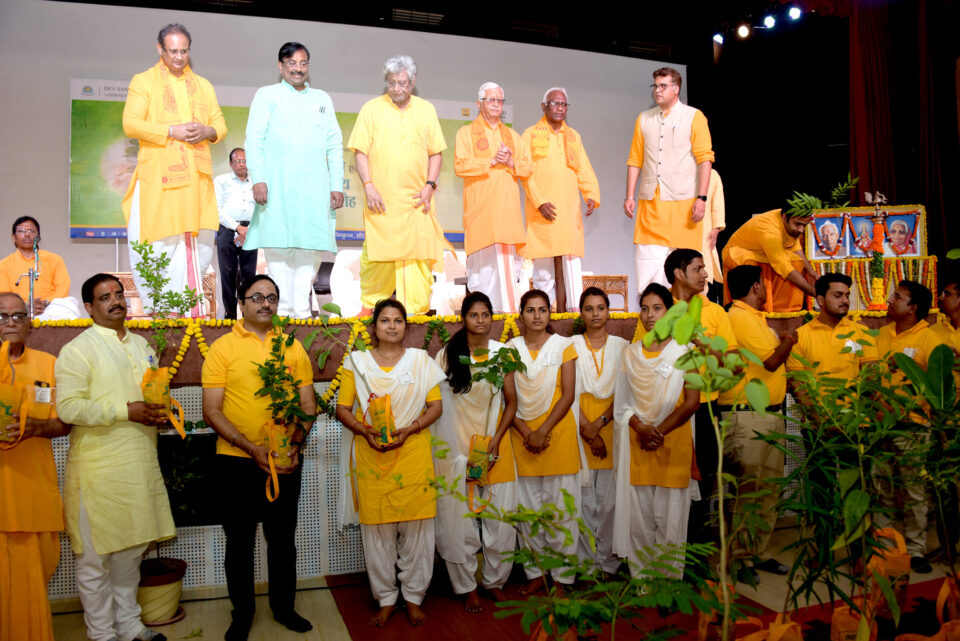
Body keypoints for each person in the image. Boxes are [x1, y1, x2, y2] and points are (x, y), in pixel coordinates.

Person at [56, 273, 174, 641]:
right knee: (96, 561)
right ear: (89, 308)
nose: (116, 301)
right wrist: (127, 411)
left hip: (138, 465)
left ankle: (130, 625)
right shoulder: (78, 349)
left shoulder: (143, 346)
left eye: (119, 293)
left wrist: (161, 412)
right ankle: (102, 634)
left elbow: (150, 396)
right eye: (105, 297)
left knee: (130, 553)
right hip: (97, 472)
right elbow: (68, 408)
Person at [201, 275, 316, 640]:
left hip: (285, 460)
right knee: (239, 543)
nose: (266, 303)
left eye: (272, 297)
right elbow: (211, 411)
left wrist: (295, 445)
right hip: (235, 461)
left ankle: (284, 609)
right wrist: (250, 447)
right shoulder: (222, 348)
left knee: (282, 541)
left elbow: (307, 405)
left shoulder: (292, 347)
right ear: (241, 303)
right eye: (257, 297)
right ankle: (243, 615)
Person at [335, 299, 445, 627]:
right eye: (385, 320)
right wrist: (364, 431)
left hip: (413, 452)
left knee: (418, 529)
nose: (392, 326)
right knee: (377, 531)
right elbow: (343, 409)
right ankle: (385, 598)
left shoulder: (420, 361)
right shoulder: (356, 363)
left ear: (406, 328)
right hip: (371, 454)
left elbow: (435, 407)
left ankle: (413, 597)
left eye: (398, 320)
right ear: (374, 327)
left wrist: (411, 428)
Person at [122, 23, 226, 317]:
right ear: (160, 49)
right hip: (159, 183)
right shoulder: (144, 81)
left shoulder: (203, 85)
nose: (179, 57)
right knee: (159, 247)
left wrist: (206, 131)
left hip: (196, 184)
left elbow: (219, 124)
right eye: (172, 51)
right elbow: (131, 124)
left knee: (198, 249)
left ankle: (186, 312)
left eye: (184, 51)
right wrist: (171, 130)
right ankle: (161, 314)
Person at [244, 42, 345, 319]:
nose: (298, 69)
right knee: (278, 251)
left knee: (309, 251)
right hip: (276, 190)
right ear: (281, 66)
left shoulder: (322, 99)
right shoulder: (267, 95)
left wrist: (336, 185)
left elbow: (334, 144)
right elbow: (254, 140)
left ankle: (301, 312)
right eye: (291, 63)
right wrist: (258, 179)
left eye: (303, 63)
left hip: (314, 192)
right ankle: (285, 311)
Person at [785, 273, 877, 571]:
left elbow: (871, 379)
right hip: (819, 429)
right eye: (838, 295)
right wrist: (822, 420)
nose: (845, 300)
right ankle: (823, 551)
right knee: (820, 493)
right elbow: (799, 385)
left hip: (855, 429)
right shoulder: (802, 335)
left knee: (856, 493)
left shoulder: (861, 332)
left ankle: (860, 553)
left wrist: (852, 419)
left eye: (847, 294)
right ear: (820, 300)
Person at [433, 292, 519, 611]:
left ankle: (494, 582)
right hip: (458, 451)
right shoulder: (447, 355)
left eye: (486, 315)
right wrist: (456, 454)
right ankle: (467, 586)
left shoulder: (502, 353)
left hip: (496, 446)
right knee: (462, 523)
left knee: (501, 521)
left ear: (492, 317)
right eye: (474, 315)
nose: (480, 321)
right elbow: (437, 405)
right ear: (463, 319)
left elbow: (512, 402)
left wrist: (496, 439)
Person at [347, 55, 450, 316]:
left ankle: (416, 319)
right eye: (391, 82)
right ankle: (370, 315)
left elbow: (436, 153)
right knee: (376, 261)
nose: (396, 88)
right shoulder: (371, 109)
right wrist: (368, 185)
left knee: (418, 267)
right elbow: (360, 152)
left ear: (413, 82)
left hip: (417, 203)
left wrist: (429, 186)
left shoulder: (426, 110)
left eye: (402, 83)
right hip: (382, 203)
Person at [613, 283, 699, 577]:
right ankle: (643, 582)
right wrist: (641, 428)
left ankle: (669, 582)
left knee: (671, 520)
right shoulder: (630, 354)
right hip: (638, 444)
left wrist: (656, 431)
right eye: (645, 308)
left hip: (673, 442)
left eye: (657, 308)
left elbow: (692, 402)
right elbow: (622, 404)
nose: (650, 315)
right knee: (640, 520)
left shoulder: (685, 351)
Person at [656, 249, 738, 554]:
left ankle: (696, 557)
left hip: (704, 409)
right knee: (668, 482)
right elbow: (643, 356)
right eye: (699, 269)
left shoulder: (715, 312)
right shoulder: (658, 307)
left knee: (703, 483)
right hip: (667, 409)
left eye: (705, 269)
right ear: (679, 274)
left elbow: (732, 363)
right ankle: (668, 555)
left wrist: (700, 342)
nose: (705, 275)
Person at [0, 293, 71, 641]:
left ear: (29, 323)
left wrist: (35, 428)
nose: (10, 323)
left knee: (38, 567)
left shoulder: (48, 364)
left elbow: (65, 423)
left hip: (34, 489)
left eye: (18, 316)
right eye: (2, 317)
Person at [722, 265, 797, 582]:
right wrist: (790, 338)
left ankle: (759, 551)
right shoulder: (739, 317)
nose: (767, 290)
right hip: (749, 416)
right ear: (755, 287)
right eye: (764, 284)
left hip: (770, 415)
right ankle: (740, 558)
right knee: (750, 492)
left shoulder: (755, 318)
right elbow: (772, 360)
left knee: (769, 490)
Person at [507, 289, 581, 594]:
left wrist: (542, 431)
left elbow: (568, 394)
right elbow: (508, 399)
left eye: (542, 310)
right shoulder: (510, 350)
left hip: (557, 435)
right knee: (529, 512)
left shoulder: (564, 346)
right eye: (530, 310)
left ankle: (563, 578)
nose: (537, 316)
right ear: (520, 315)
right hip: (521, 437)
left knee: (561, 512)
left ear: (549, 313)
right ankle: (536, 573)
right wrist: (527, 433)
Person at [623, 67, 715, 295]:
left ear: (676, 89)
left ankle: (689, 316)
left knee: (687, 267)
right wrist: (629, 195)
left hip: (684, 204)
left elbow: (705, 159)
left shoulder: (694, 116)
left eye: (663, 86)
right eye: (655, 86)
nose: (658, 90)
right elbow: (635, 159)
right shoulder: (644, 119)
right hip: (650, 205)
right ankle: (653, 310)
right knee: (648, 265)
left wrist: (702, 198)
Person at [874, 280, 944, 573]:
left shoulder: (930, 339)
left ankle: (916, 550)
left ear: (913, 308)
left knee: (914, 492)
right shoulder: (882, 334)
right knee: (882, 489)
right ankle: (886, 547)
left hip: (913, 428)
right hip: (881, 426)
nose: (891, 300)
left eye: (898, 297)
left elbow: (938, 387)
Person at [521, 88, 601, 313]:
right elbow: (524, 173)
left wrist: (591, 194)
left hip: (567, 213)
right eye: (554, 103)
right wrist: (539, 202)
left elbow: (583, 168)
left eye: (564, 104)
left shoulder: (573, 136)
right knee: (544, 272)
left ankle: (573, 318)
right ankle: (542, 318)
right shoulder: (530, 134)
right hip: (542, 213)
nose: (560, 108)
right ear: (543, 106)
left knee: (571, 269)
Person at [454, 83, 531, 313]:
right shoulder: (466, 133)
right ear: (479, 104)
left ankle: (507, 321)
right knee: (482, 276)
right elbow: (460, 165)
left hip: (508, 218)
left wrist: (510, 162)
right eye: (491, 99)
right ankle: (482, 322)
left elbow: (527, 167)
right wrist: (491, 161)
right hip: (482, 217)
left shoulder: (512, 136)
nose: (496, 104)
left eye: (500, 100)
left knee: (508, 277)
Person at [572, 287, 627, 575]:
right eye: (589, 308)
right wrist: (588, 429)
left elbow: (625, 392)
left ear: (608, 311)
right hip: (577, 430)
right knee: (582, 504)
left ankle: (608, 564)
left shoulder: (622, 347)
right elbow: (566, 392)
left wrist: (599, 425)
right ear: (581, 313)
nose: (595, 314)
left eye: (600, 308)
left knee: (609, 505)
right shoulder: (570, 346)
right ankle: (585, 566)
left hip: (613, 430)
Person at [721, 209, 818, 312]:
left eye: (805, 225)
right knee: (752, 267)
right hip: (739, 255)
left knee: (796, 262)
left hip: (764, 256)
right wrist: (815, 292)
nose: (801, 230)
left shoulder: (790, 221)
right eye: (797, 224)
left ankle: (786, 313)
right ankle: (754, 313)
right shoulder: (768, 229)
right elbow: (783, 267)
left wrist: (810, 272)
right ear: (785, 217)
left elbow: (795, 247)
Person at [0, 216, 77, 319]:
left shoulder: (54, 259)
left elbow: (63, 287)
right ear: (13, 237)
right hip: (18, 311)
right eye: (21, 231)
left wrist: (46, 303)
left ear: (38, 237)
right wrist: (25, 306)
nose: (27, 234)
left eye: (31, 231)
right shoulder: (4, 264)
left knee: (71, 304)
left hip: (51, 308)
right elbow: (4, 295)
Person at [214, 148, 257, 320]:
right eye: (237, 161)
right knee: (228, 273)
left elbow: (260, 209)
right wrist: (238, 227)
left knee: (249, 275)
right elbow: (217, 209)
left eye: (244, 160)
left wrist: (248, 229)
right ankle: (230, 315)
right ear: (231, 164)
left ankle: (248, 315)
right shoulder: (221, 181)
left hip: (251, 230)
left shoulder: (256, 182)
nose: (241, 164)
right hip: (227, 229)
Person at [701, 169, 726, 294]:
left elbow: (717, 203)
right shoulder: (679, 170)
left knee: (702, 272)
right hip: (679, 230)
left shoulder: (712, 174)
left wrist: (716, 228)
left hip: (703, 231)